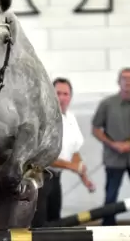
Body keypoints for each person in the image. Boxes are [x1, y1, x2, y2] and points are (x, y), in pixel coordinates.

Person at [91, 67, 130, 226]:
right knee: (111, 196)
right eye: (124, 78)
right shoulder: (107, 104)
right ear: (119, 81)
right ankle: (108, 230)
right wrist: (114, 144)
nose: (127, 81)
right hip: (113, 159)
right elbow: (96, 129)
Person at [32, 77, 95, 227]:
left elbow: (74, 151)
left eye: (65, 94)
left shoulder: (71, 117)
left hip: (56, 178)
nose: (61, 98)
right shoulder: (44, 118)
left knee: (55, 220)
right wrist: (72, 167)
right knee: (39, 223)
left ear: (70, 97)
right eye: (58, 93)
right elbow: (44, 156)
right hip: (40, 178)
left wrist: (85, 178)